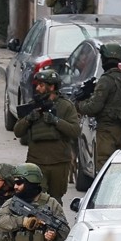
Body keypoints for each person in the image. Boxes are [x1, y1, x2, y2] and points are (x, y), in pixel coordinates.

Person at [12, 69, 80, 203]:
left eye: (41, 85)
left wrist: (56, 121)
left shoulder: (66, 106)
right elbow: (18, 132)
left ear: (52, 86)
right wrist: (29, 119)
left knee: (55, 200)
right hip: (36, 162)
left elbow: (75, 131)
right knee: (36, 199)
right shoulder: (32, 106)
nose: (37, 88)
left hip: (59, 162)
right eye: (37, 85)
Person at [73, 43, 121, 174]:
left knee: (104, 167)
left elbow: (93, 107)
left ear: (104, 59)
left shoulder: (106, 80)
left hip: (107, 130)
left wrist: (79, 104)